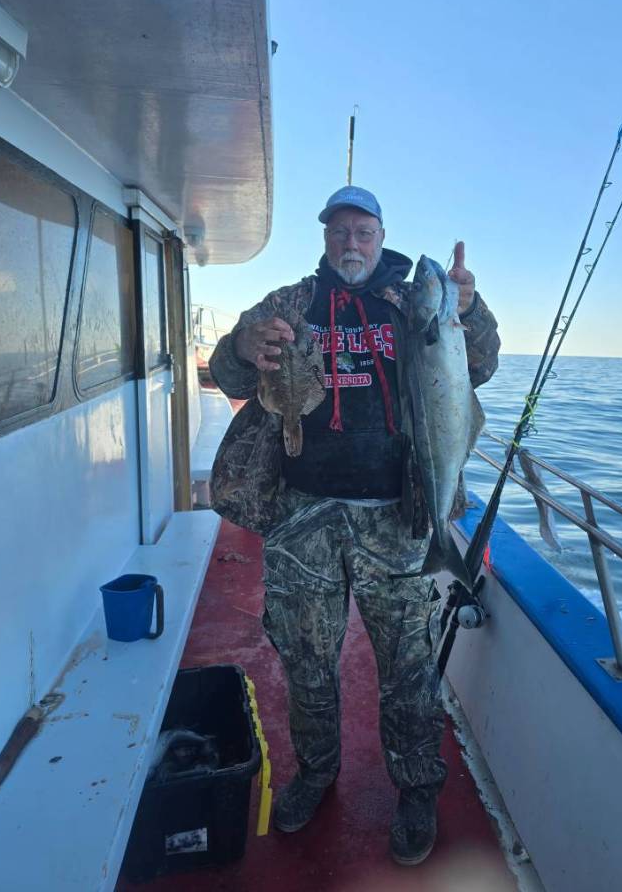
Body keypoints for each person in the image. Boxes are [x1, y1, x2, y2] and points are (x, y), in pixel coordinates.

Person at [209, 186, 500, 866]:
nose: (351, 244)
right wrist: (243, 346)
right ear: (325, 240)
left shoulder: (412, 302)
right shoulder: (287, 303)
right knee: (305, 661)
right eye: (340, 231)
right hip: (302, 514)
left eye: (363, 232)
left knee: (407, 666)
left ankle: (418, 786)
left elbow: (477, 365)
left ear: (381, 237)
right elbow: (225, 370)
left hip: (398, 518)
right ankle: (315, 772)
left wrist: (469, 308)